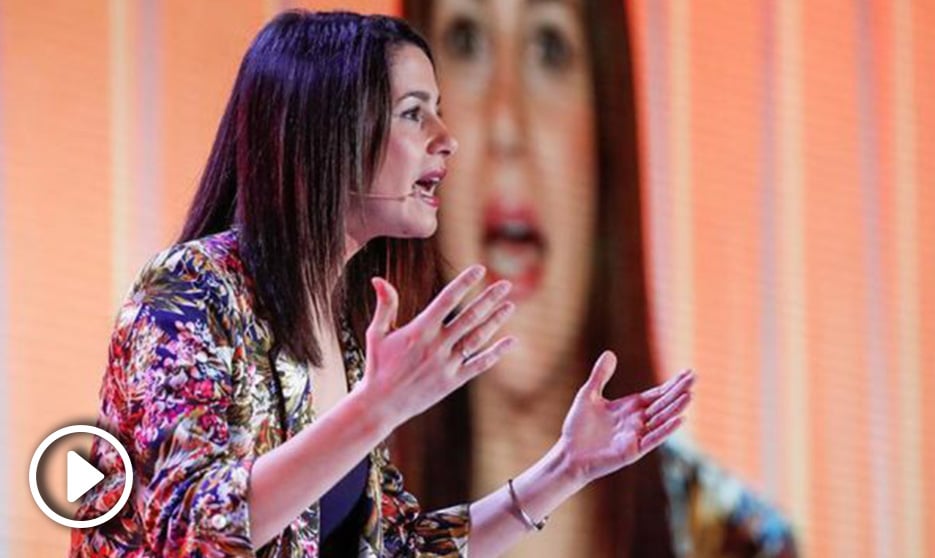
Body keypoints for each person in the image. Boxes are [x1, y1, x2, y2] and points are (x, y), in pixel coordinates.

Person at [69, 10, 695, 558]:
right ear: (328, 134)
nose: (447, 141)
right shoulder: (191, 292)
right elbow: (190, 530)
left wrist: (566, 467)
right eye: (413, 114)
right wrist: (377, 408)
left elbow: (399, 547)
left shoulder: (344, 331)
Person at [396, 1, 797, 556]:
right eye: (466, 40)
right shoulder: (341, 508)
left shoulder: (736, 541)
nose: (507, 124)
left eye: (549, 47)